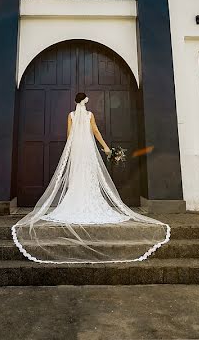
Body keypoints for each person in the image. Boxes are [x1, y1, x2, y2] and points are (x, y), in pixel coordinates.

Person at [11, 92, 170, 263]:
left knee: (77, 175)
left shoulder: (71, 115)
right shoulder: (89, 115)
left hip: (77, 149)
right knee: (89, 174)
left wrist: (70, 152)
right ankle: (89, 200)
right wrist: (106, 147)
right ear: (85, 102)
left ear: (75, 102)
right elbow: (95, 131)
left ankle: (75, 201)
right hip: (87, 150)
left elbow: (69, 135)